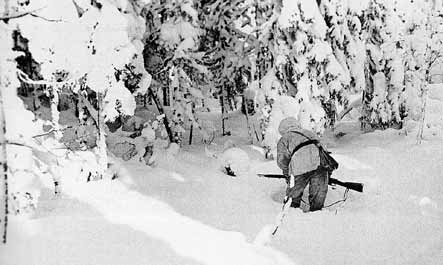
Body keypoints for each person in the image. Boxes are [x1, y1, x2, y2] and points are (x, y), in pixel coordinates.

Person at [276, 117, 329, 212]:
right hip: (320, 166)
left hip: (299, 168)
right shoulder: (310, 133)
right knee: (318, 199)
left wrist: (287, 175)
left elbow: (282, 161)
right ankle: (317, 216)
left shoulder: (285, 138)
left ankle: (292, 215)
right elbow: (324, 150)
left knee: (292, 198)